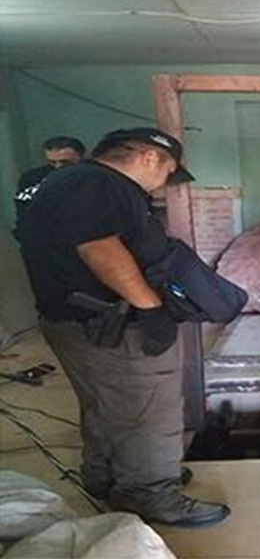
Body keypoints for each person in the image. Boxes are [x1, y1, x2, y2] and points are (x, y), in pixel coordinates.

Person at [16, 128, 231, 528]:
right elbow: (100, 249)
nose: (165, 182)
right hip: (110, 323)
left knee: (106, 402)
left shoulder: (75, 182)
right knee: (149, 410)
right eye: (168, 171)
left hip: (78, 321)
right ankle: (149, 491)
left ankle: (105, 474)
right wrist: (151, 308)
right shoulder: (99, 184)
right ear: (149, 157)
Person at [15, 136, 85, 217]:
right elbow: (24, 211)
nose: (58, 166)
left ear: (81, 156)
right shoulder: (33, 177)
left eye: (65, 162)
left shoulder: (93, 177)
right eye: (52, 162)